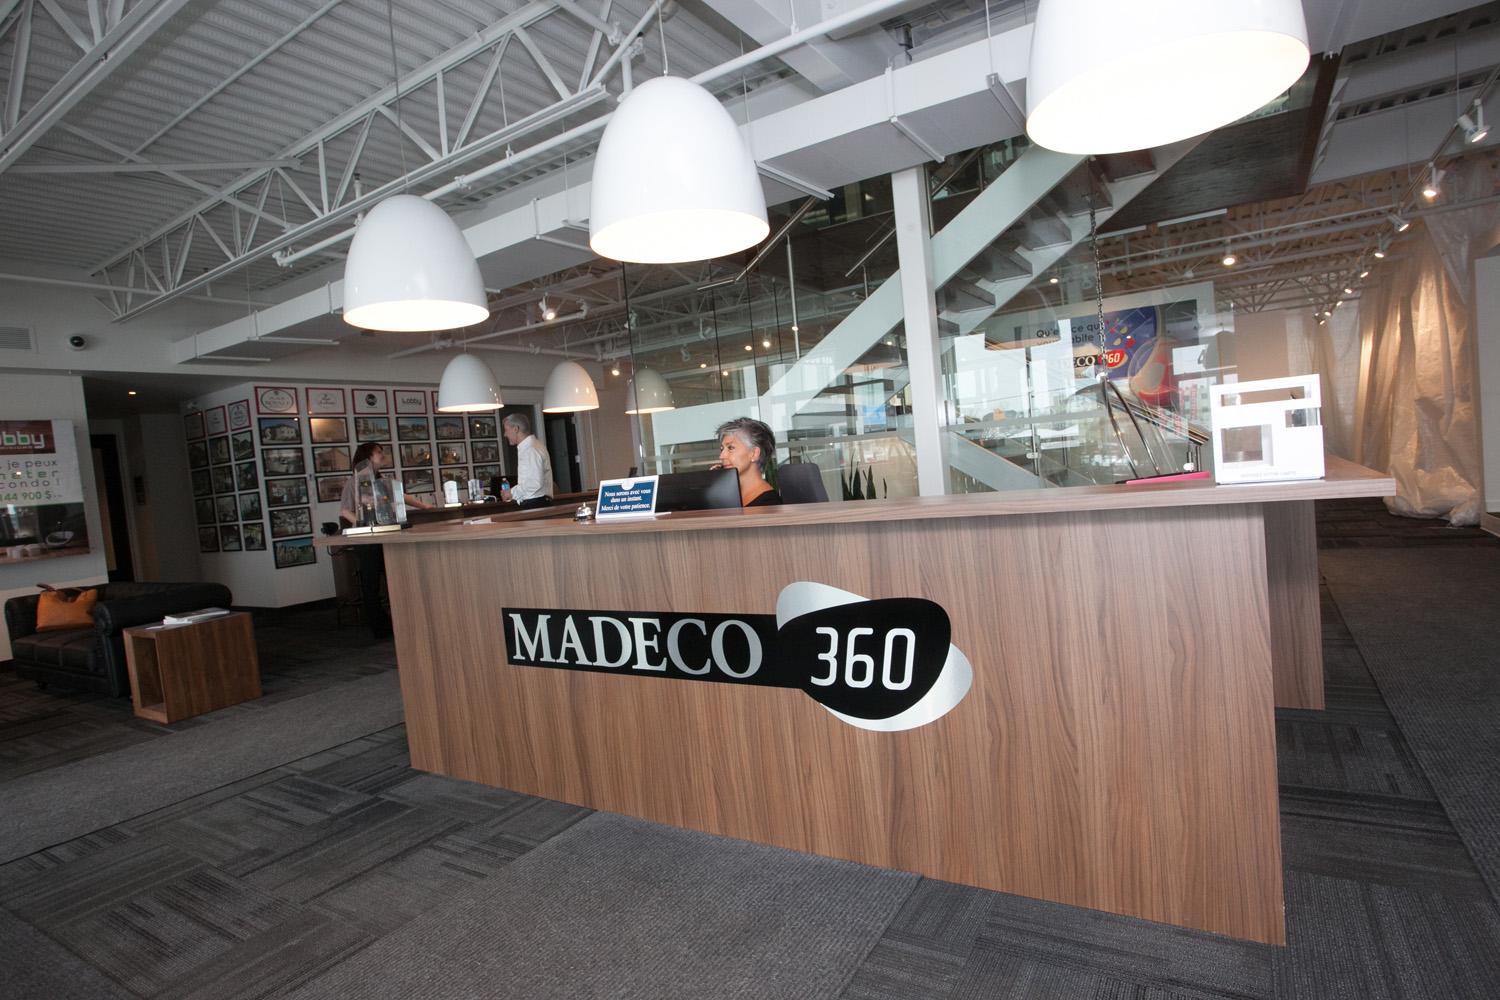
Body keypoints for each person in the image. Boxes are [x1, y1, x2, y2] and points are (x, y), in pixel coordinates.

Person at [337, 442, 432, 640]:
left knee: (394, 579)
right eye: (379, 453)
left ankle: (398, 622)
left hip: (385, 536)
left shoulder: (382, 480)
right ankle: (379, 627)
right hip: (367, 539)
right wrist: (363, 524)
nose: (383, 455)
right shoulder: (353, 482)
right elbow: (345, 510)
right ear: (368, 457)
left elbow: (400, 495)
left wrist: (424, 507)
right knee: (371, 584)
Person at [715, 417, 782, 507]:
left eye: (730, 448)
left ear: (754, 454)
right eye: (722, 449)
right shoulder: (727, 496)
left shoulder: (769, 505)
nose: (721, 456)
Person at [501, 412, 554, 509]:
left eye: (506, 430)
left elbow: (535, 482)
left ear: (516, 429)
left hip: (536, 504)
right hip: (537, 503)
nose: (505, 434)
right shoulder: (532, 446)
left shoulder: (531, 449)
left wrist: (512, 492)